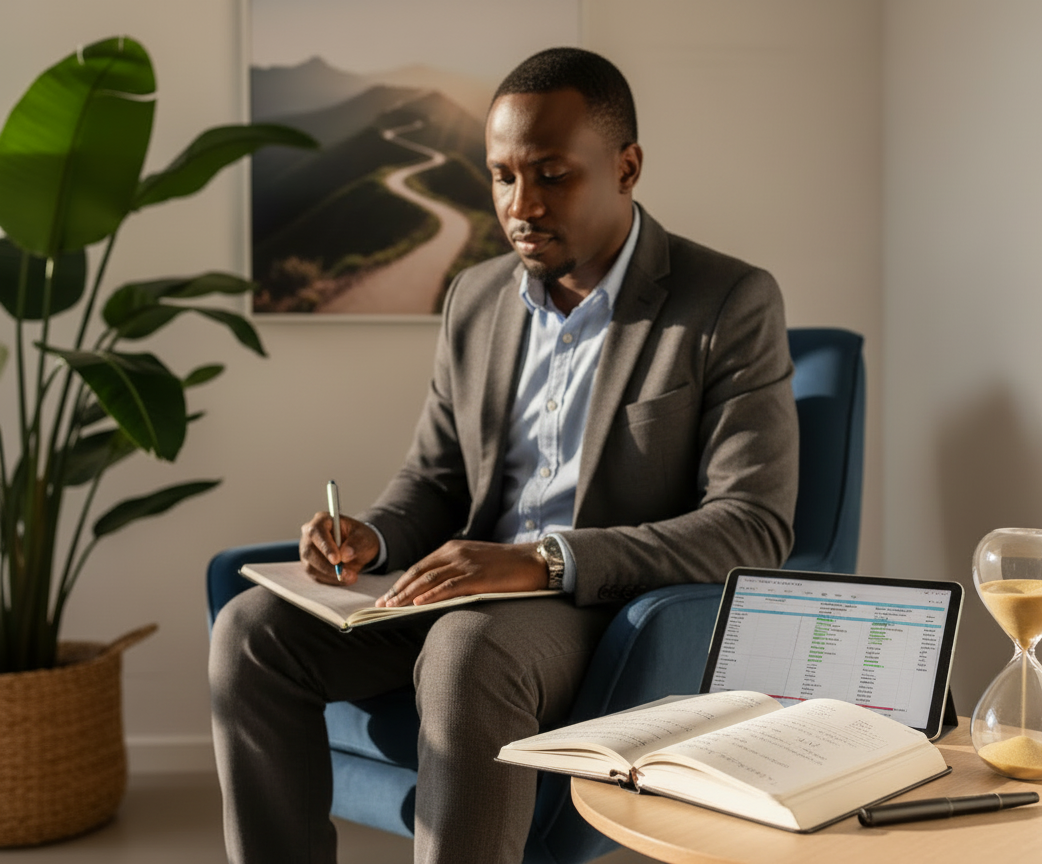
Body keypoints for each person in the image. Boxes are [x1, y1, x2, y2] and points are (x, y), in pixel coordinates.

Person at [209, 47, 798, 864]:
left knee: (467, 649)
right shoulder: (477, 297)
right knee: (248, 632)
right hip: (456, 590)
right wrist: (372, 538)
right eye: (501, 176)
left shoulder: (726, 302)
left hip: (600, 610)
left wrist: (544, 564)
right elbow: (436, 476)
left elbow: (753, 526)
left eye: (553, 175)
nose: (520, 205)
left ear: (626, 167)